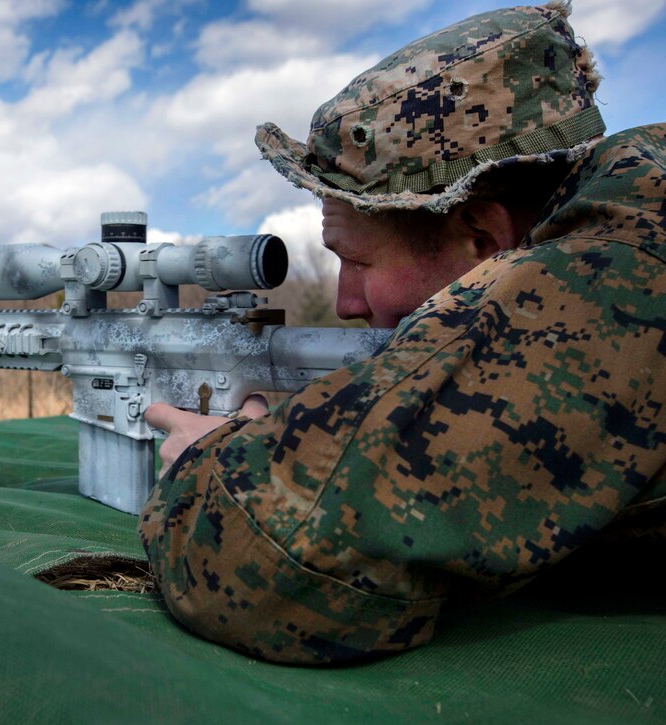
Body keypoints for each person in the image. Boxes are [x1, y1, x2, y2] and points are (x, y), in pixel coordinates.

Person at [140, 1, 665, 664]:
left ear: (483, 239)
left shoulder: (610, 274)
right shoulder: (630, 206)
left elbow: (269, 563)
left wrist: (200, 462)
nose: (345, 300)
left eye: (358, 262)